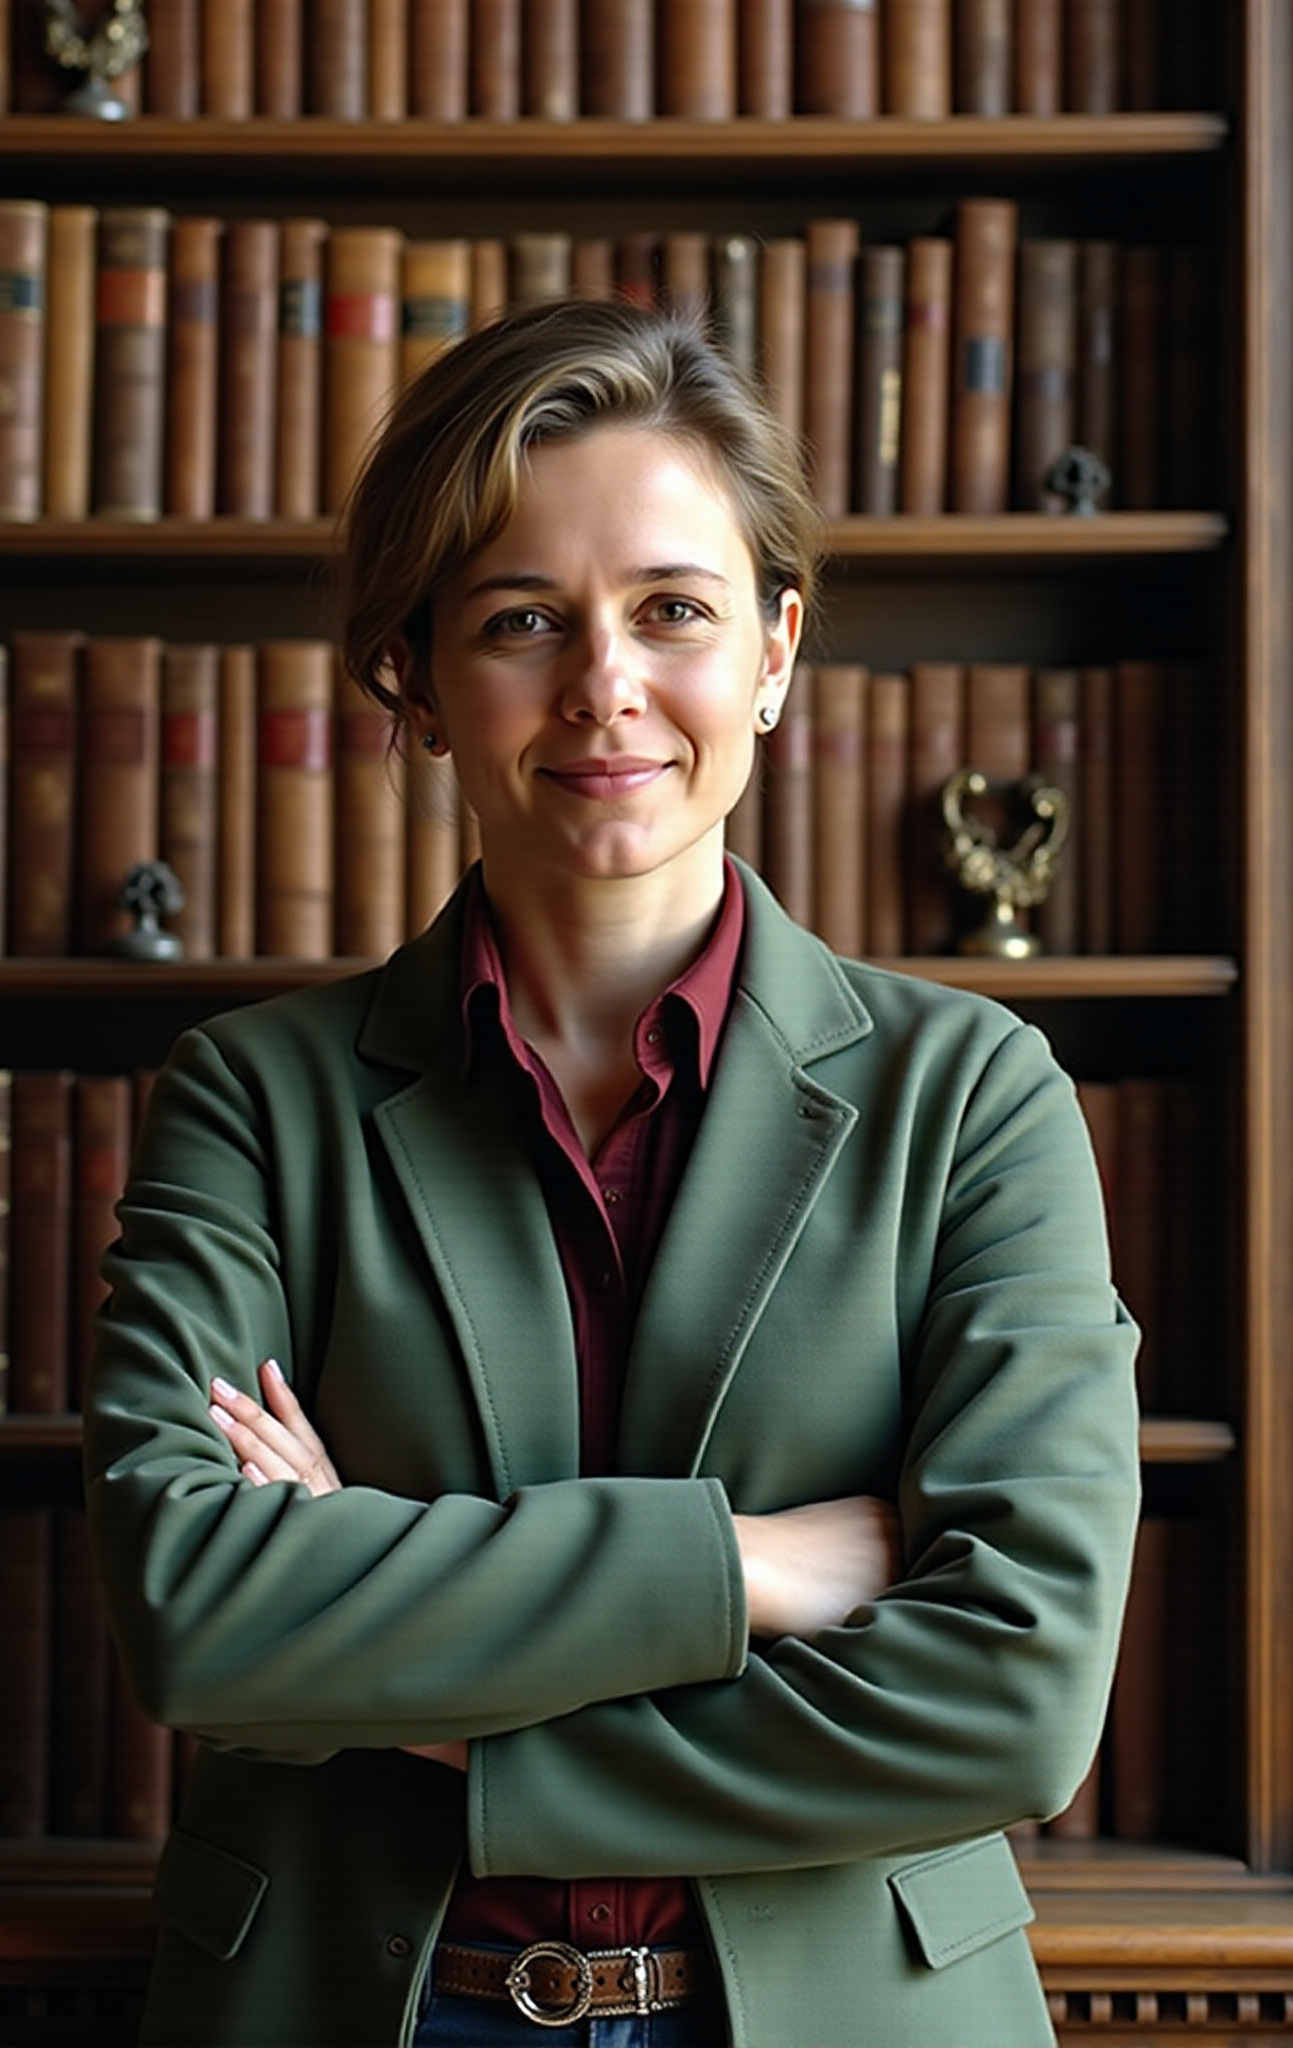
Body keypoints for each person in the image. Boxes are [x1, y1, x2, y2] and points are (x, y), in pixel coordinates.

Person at [83, 298, 1140, 2048]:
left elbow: (1017, 1701)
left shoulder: (973, 1097)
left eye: (675, 611)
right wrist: (754, 1569)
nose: (605, 688)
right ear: (414, 678)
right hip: (363, 2004)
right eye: (521, 621)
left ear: (778, 658)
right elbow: (202, 1621)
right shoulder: (253, 1099)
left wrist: (424, 1682)